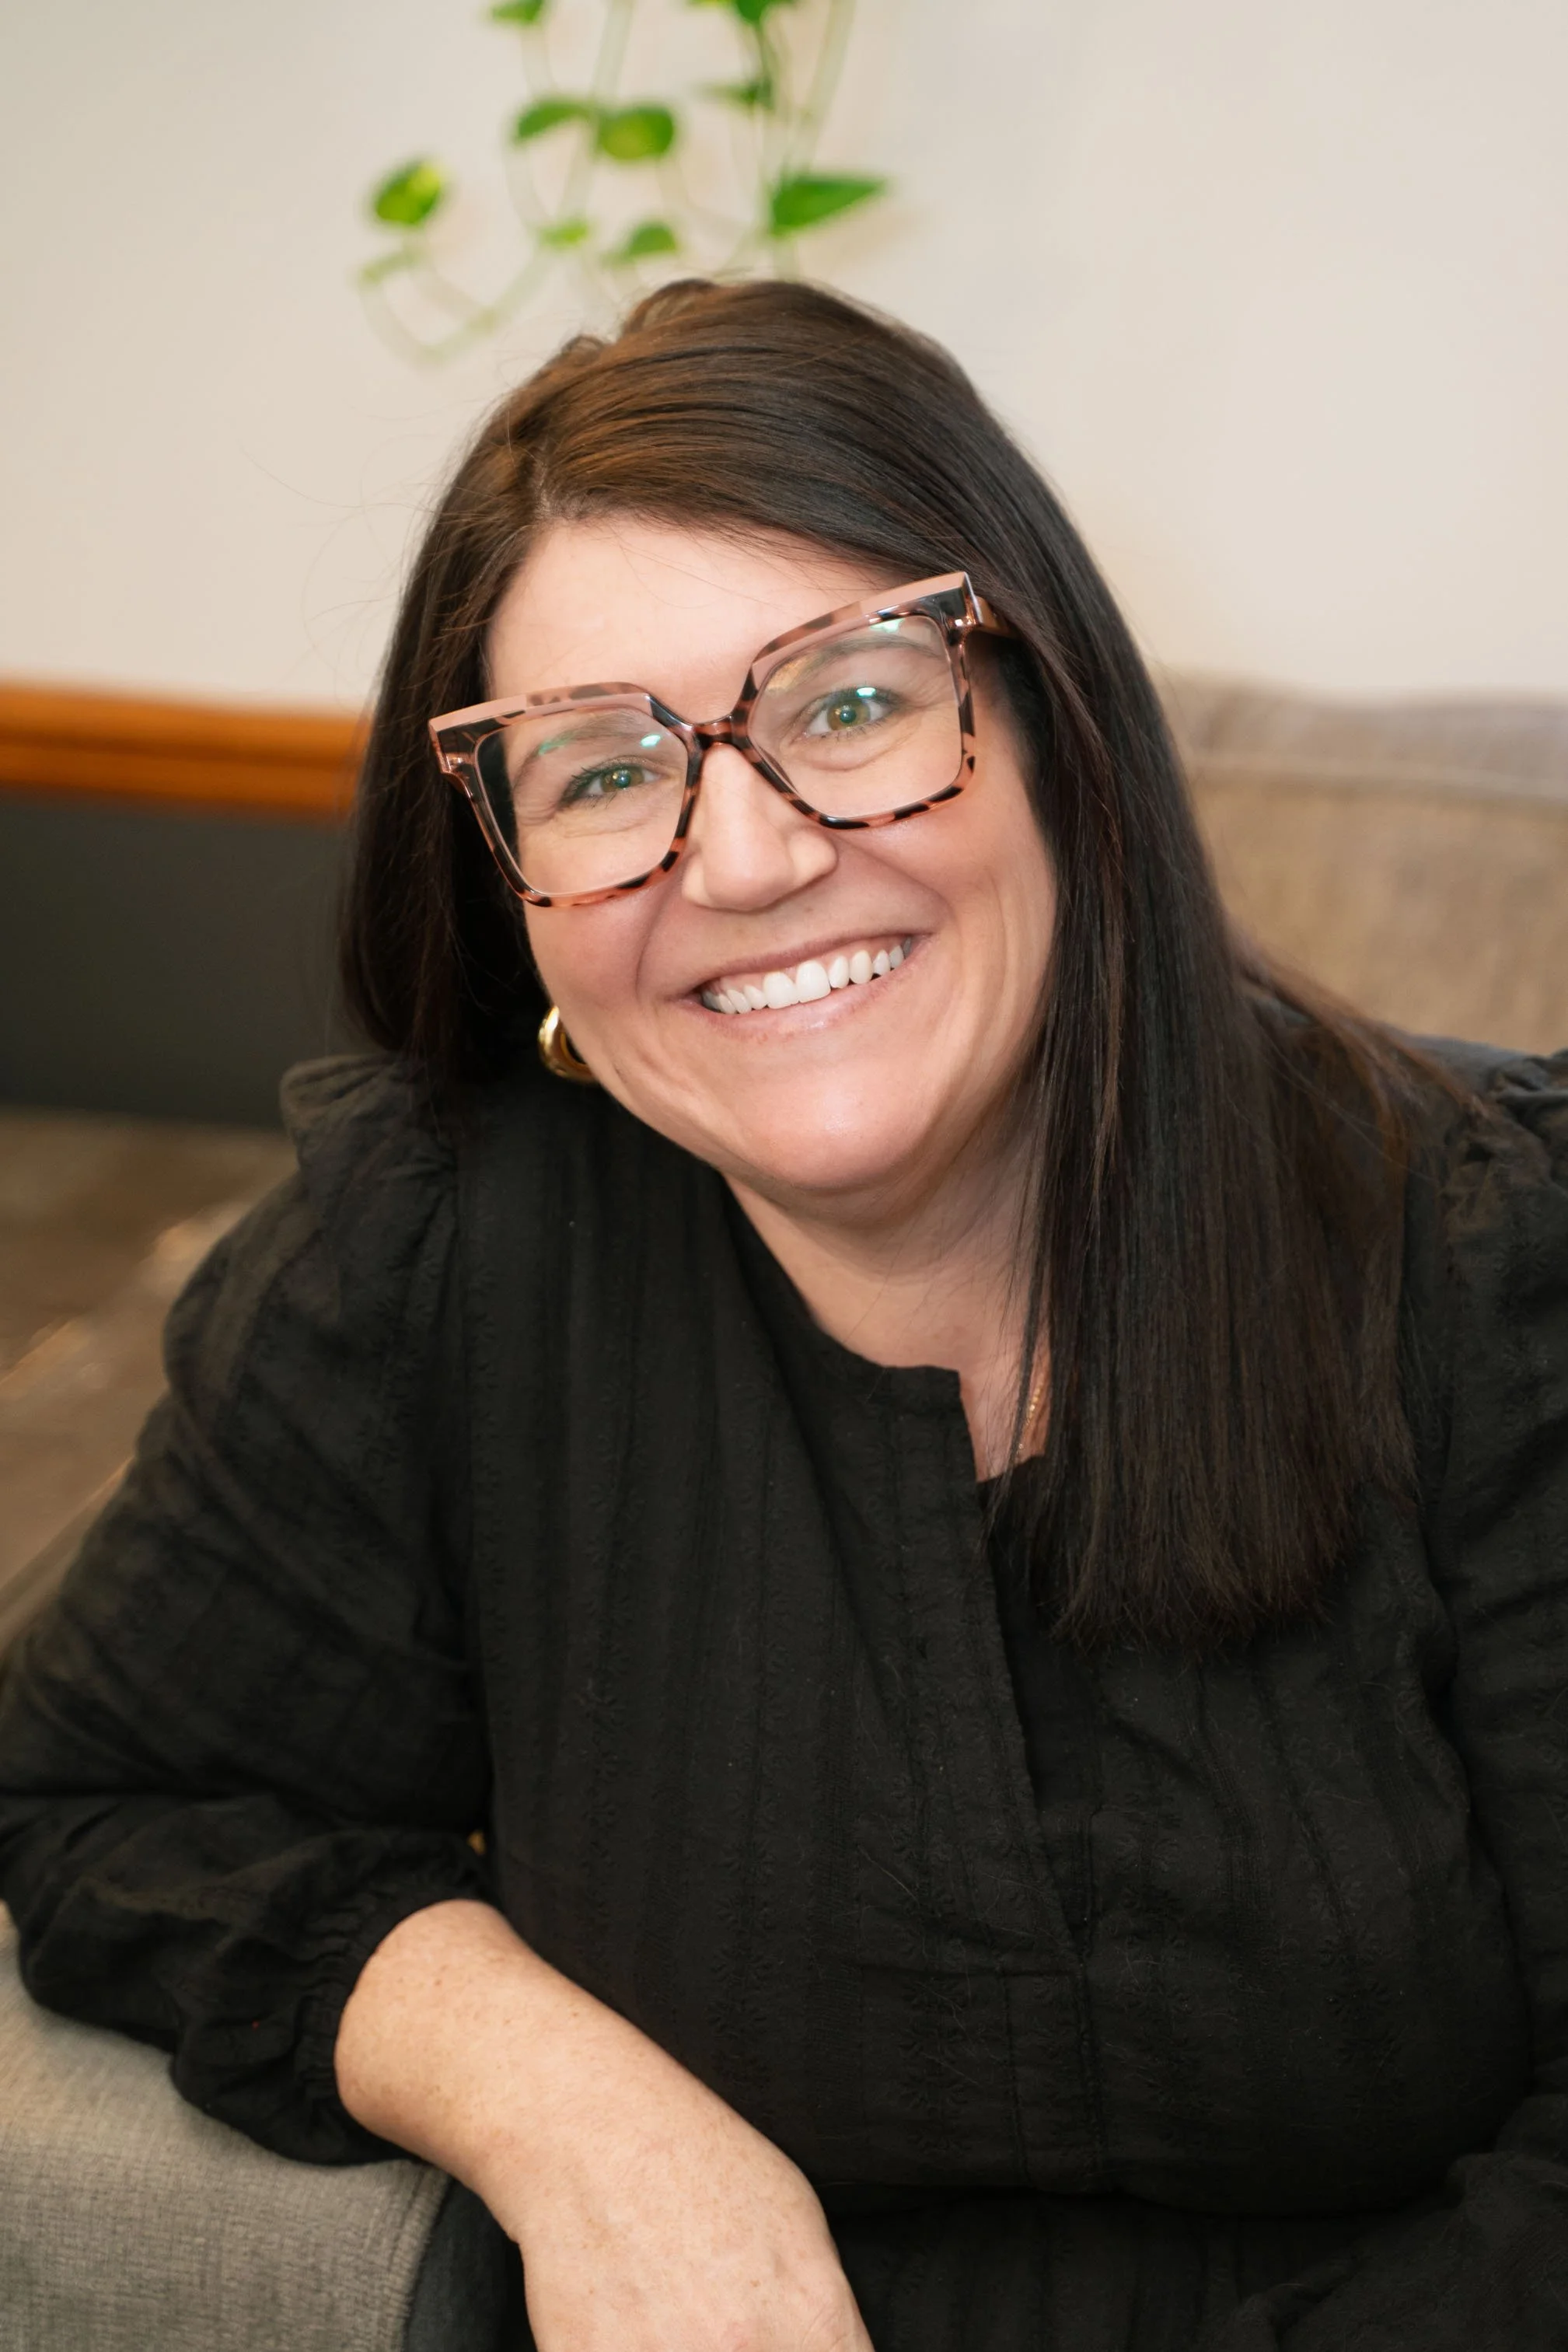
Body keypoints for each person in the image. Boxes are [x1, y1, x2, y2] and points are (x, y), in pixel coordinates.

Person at [2, 278, 1566, 2352]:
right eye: (599, 771)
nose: (738, 859)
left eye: (845, 703)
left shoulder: (1493, 1251)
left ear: (1058, 733)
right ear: (510, 878)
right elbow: (90, 1803)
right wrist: (568, 2107)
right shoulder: (439, 1255)